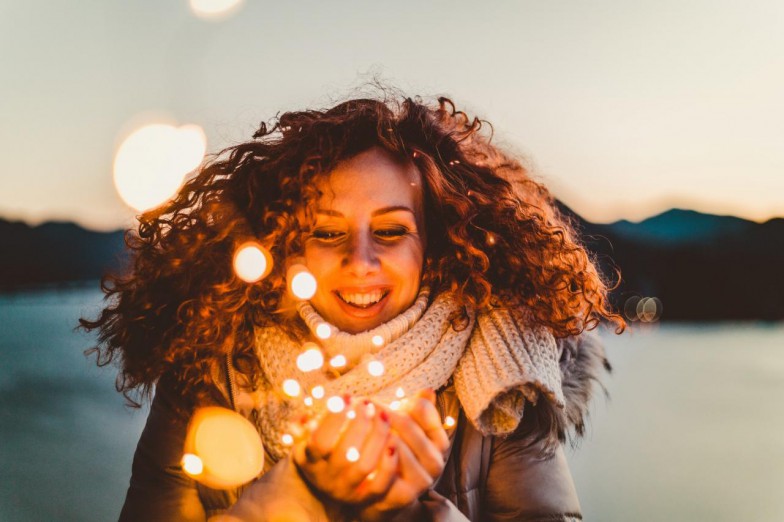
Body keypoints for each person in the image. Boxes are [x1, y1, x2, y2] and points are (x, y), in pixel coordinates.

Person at [82, 93, 624, 521]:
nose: (359, 260)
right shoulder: (210, 370)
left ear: (432, 247)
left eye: (390, 230)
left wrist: (415, 513)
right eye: (326, 231)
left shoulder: (503, 376)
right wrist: (299, 496)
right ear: (286, 243)